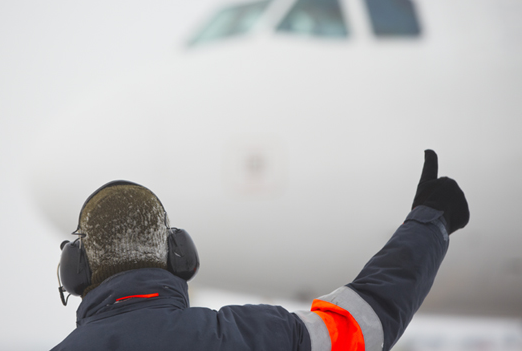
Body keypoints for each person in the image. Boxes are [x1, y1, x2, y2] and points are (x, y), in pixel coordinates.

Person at [51, 150, 469, 351]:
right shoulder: (251, 337)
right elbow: (368, 320)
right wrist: (429, 222)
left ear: (76, 271)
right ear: (179, 254)